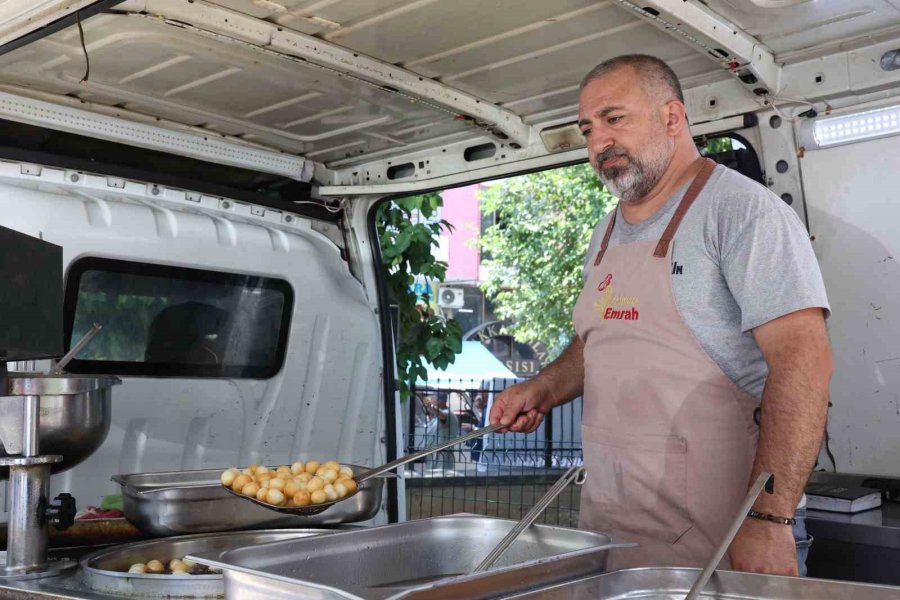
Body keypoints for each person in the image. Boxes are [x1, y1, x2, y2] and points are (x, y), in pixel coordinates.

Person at [489, 54, 832, 575]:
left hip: (723, 544)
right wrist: (543, 387)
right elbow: (599, 342)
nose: (598, 142)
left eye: (614, 118)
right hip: (613, 532)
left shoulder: (742, 214)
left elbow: (804, 365)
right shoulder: (604, 234)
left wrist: (769, 518)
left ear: (672, 118)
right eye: (587, 128)